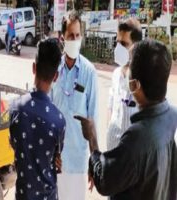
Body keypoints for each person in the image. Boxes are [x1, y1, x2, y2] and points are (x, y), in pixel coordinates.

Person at [77, 40, 177, 200]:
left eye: (129, 66)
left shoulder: (137, 138)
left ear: (134, 85)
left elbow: (105, 180)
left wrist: (92, 140)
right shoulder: (171, 115)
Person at [50, 10, 98, 200]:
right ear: (62, 38)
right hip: (56, 159)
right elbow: (48, 113)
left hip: (78, 160)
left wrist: (94, 163)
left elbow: (93, 119)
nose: (75, 39)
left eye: (78, 35)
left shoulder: (89, 72)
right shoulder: (54, 70)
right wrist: (50, 151)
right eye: (71, 35)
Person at [9, 39, 66, 200]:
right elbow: (57, 157)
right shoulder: (59, 121)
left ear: (34, 68)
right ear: (56, 76)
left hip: (23, 195)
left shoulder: (15, 108)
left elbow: (14, 142)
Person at [107, 18, 142, 150]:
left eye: (124, 43)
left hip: (133, 153)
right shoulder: (116, 74)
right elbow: (110, 106)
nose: (118, 48)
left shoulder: (143, 79)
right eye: (117, 42)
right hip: (113, 148)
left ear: (136, 45)